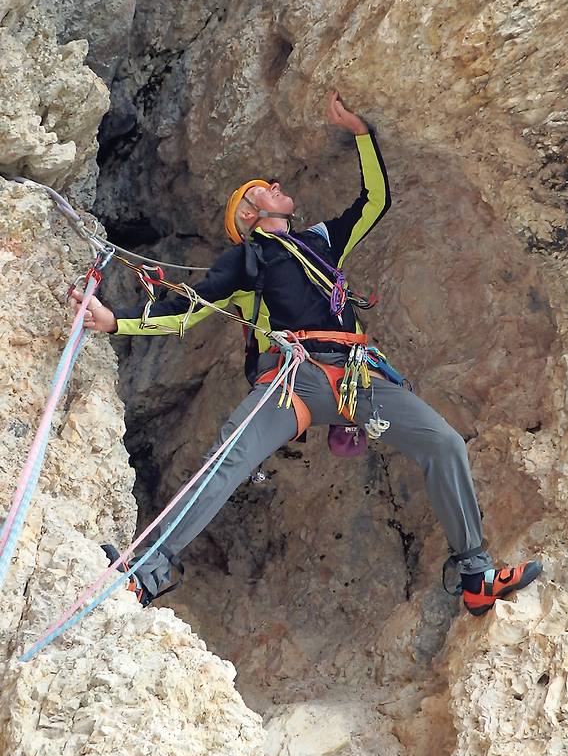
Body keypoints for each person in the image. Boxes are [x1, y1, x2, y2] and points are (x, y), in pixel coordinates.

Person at [71, 91, 542, 615]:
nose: (276, 186)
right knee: (228, 458)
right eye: (262, 190)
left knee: (445, 442)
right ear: (249, 214)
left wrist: (362, 134)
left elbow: (375, 202)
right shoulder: (247, 258)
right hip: (293, 379)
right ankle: (148, 570)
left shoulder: (320, 243)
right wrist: (117, 321)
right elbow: (193, 307)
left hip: (359, 376)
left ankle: (475, 573)